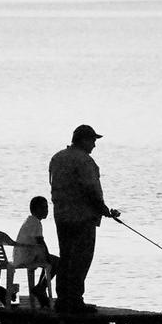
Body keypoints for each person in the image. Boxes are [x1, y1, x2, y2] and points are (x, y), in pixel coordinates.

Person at [48, 124, 120, 313]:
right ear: (84, 140)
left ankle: (63, 299)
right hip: (82, 218)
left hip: (61, 216)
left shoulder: (57, 158)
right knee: (81, 259)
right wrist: (102, 209)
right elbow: (90, 189)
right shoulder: (85, 161)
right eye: (93, 141)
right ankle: (75, 300)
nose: (94, 145)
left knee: (66, 257)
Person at [13, 195, 58, 308]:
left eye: (47, 207)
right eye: (44, 208)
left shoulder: (29, 220)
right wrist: (47, 255)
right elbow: (40, 242)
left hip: (22, 255)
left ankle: (41, 287)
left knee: (51, 261)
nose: (47, 210)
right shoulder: (36, 223)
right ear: (36, 209)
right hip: (27, 257)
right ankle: (41, 287)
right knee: (57, 262)